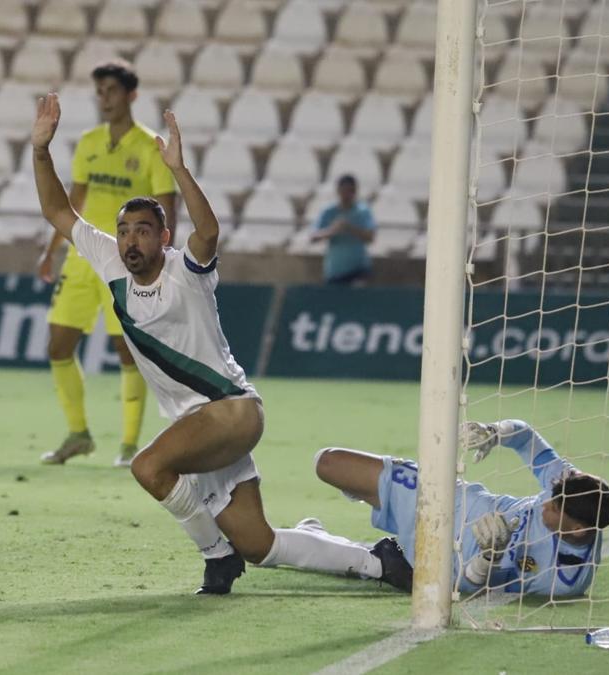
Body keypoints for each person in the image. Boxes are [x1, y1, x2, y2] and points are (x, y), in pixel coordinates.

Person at [31, 94, 411, 594]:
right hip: (198, 430)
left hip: (232, 412)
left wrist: (179, 170)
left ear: (163, 236)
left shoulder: (185, 270)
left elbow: (208, 230)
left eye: (142, 231)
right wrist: (41, 150)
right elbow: (57, 209)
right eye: (123, 231)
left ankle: (216, 558)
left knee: (149, 466)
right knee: (262, 544)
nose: (129, 241)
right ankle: (378, 563)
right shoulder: (109, 262)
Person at [283, 419, 609, 598]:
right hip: (453, 499)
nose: (545, 502)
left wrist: (489, 556)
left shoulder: (562, 580)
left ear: (576, 530)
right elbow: (527, 437)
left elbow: (474, 588)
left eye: (555, 508)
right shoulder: (574, 489)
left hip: (449, 560)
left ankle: (324, 540)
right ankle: (377, 507)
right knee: (327, 463)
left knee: (373, 563)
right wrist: (495, 432)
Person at [35, 61, 177, 468]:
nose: (105, 99)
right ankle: (78, 434)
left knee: (127, 351)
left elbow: (165, 207)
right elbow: (72, 201)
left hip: (125, 261)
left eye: (112, 91)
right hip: (81, 256)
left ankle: (130, 446)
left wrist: (163, 258)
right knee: (58, 345)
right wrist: (51, 249)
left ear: (131, 95)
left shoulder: (149, 145)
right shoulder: (89, 141)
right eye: (100, 92)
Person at [310, 175, 376, 285]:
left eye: (350, 191)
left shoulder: (363, 211)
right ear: (338, 191)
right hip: (335, 271)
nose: (347, 194)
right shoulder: (328, 211)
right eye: (344, 190)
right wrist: (333, 230)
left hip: (358, 269)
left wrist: (349, 228)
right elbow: (313, 237)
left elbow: (371, 237)